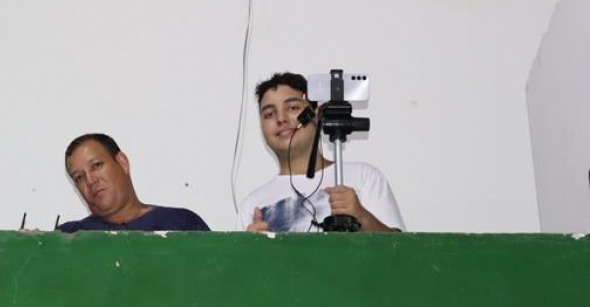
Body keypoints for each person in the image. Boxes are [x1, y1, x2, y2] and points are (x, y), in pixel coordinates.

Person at [239, 72, 404, 233]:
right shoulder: (252, 205)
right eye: (269, 114)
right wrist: (251, 246)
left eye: (293, 107)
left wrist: (362, 217)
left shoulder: (364, 177)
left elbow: (399, 249)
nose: (281, 119)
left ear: (316, 115)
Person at [59, 133, 210, 233]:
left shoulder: (183, 224)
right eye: (79, 177)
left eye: (97, 165)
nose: (91, 181)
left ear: (122, 163)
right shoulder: (68, 237)